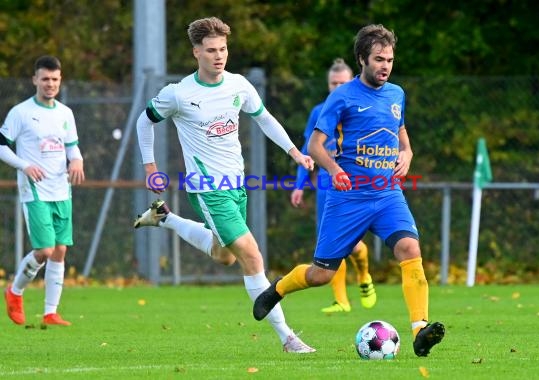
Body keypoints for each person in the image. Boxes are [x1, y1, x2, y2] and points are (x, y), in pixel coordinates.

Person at [254, 24, 445, 357]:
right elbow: (315, 146)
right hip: (348, 199)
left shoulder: (396, 94)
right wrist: (335, 168)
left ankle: (419, 330)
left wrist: (407, 155)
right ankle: (279, 288)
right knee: (320, 276)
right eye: (378, 59)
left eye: (389, 59)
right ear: (362, 59)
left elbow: (404, 140)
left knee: (409, 248)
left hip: (387, 195)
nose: (385, 66)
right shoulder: (341, 97)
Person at [132, 17, 316, 354]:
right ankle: (288, 337)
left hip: (237, 185)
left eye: (224, 49)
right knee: (251, 254)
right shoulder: (178, 94)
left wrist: (295, 152)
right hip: (207, 189)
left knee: (224, 257)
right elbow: (145, 121)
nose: (219, 56)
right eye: (212, 50)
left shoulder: (239, 85)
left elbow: (263, 118)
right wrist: (150, 166)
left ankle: (165, 218)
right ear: (196, 52)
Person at [0, 55, 85, 326]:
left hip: (62, 189)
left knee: (60, 250)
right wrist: (24, 165)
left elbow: (71, 146)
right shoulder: (20, 112)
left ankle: (50, 312)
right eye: (45, 79)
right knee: (45, 250)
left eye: (55, 79)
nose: (50, 84)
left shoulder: (65, 113)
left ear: (60, 81)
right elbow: (2, 146)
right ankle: (14, 292)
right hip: (35, 190)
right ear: (35, 79)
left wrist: (77, 159)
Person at [291, 58, 376, 313]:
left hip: (356, 184)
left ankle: (364, 275)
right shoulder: (319, 111)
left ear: (352, 81)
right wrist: (299, 185)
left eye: (342, 82)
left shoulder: (364, 107)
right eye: (333, 83)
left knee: (355, 245)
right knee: (329, 242)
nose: (337, 87)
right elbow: (308, 150)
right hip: (327, 187)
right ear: (328, 85)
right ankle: (341, 300)